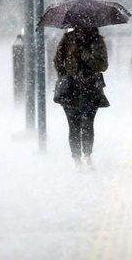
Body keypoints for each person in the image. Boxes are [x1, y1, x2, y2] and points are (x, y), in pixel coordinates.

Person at [53, 27, 110, 168]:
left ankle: (87, 155)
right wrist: (65, 76)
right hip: (71, 89)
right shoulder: (68, 39)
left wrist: (89, 59)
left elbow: (103, 65)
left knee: (88, 123)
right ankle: (76, 158)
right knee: (73, 125)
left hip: (91, 88)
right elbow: (58, 60)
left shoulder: (97, 40)